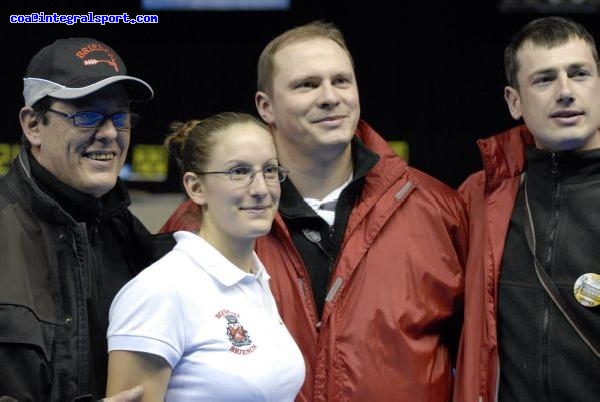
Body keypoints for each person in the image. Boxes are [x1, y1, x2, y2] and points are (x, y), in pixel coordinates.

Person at [161, 21, 468, 401]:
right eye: (306, 85)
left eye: (341, 81)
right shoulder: (200, 225)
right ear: (265, 107)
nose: (329, 97)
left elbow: (478, 359)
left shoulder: (437, 209)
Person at [0, 37, 171, 401]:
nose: (109, 132)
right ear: (33, 125)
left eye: (120, 116)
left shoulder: (134, 240)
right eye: (87, 114)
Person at [105, 112, 305, 401]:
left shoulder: (255, 281)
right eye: (239, 172)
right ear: (196, 188)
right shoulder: (160, 291)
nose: (262, 189)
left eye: (270, 170)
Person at [455, 16, 600, 402]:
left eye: (580, 74)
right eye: (544, 79)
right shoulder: (478, 198)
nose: (566, 91)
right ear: (514, 101)